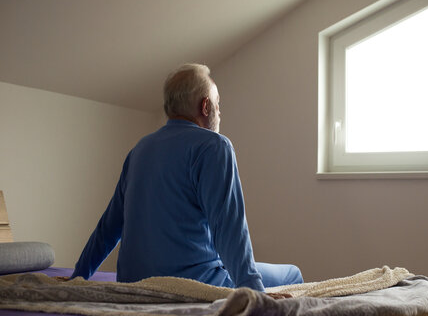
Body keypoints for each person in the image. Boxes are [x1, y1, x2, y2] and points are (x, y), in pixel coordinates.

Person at [71, 63, 303, 291]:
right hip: (191, 283)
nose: (220, 112)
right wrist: (253, 293)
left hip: (132, 282)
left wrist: (79, 275)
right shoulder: (214, 146)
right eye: (218, 104)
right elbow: (229, 231)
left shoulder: (140, 149)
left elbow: (109, 226)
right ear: (205, 106)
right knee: (293, 273)